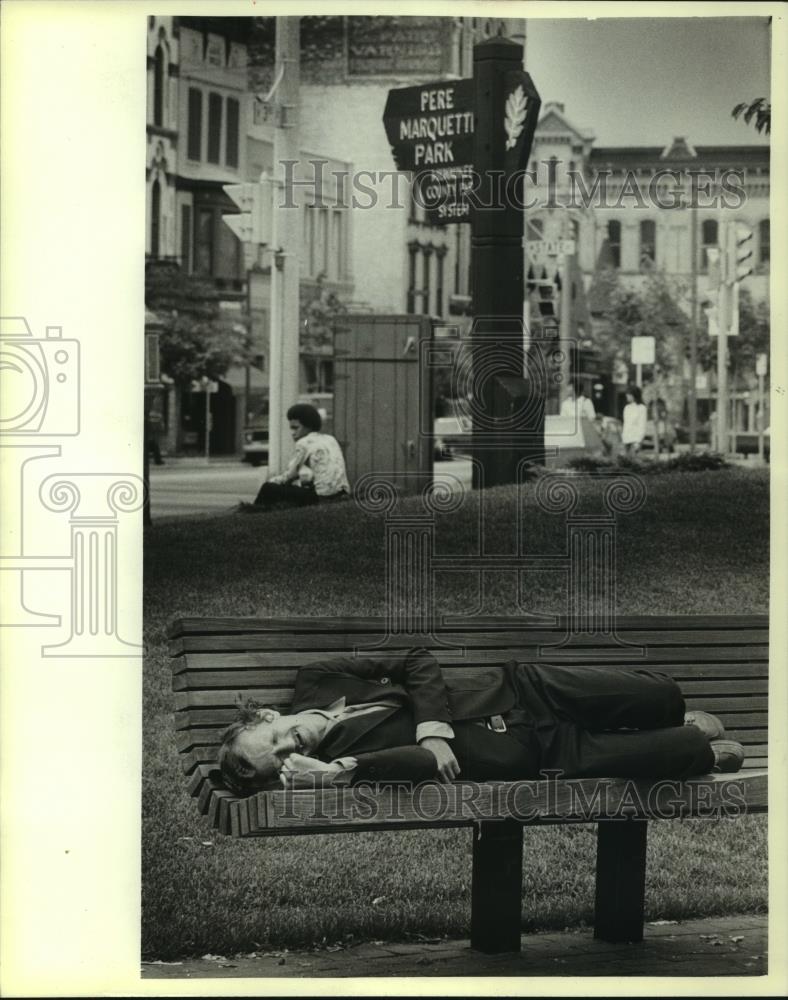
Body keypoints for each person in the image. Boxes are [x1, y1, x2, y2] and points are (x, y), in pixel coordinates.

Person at [218, 647, 745, 794]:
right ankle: (695, 741)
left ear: (267, 714)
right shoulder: (335, 765)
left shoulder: (318, 679)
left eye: (279, 737)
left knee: (662, 696)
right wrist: (340, 772)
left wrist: (432, 730)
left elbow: (416, 660)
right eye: (284, 759)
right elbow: (421, 768)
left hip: (524, 689)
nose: (294, 745)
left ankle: (683, 720)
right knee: (683, 751)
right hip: (530, 756)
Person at [248, 403, 349, 510]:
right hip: (342, 493)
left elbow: (289, 476)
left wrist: (272, 481)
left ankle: (251, 515)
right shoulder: (330, 439)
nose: (292, 433)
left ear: (308, 426)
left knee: (268, 488)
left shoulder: (304, 443)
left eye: (296, 428)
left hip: (322, 497)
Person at [621, 385, 648, 456]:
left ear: (634, 395)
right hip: (626, 440)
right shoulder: (627, 408)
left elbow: (642, 425)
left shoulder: (641, 408)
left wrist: (638, 441)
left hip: (635, 440)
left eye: (629, 394)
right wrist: (623, 437)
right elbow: (625, 424)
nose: (627, 396)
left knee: (634, 462)